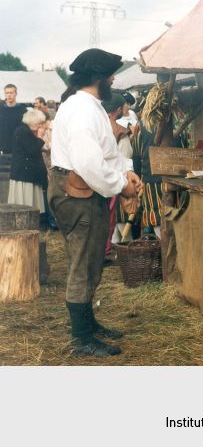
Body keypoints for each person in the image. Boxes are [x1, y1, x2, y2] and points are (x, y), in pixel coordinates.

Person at [49, 48, 143, 357]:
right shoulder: (82, 110)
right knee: (83, 264)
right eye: (112, 75)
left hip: (84, 193)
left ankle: (88, 325)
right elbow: (89, 163)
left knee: (90, 263)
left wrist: (126, 175)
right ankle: (82, 339)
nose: (115, 79)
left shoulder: (89, 106)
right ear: (99, 78)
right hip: (78, 195)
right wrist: (122, 187)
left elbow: (108, 154)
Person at [101, 92, 133, 257]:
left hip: (94, 178)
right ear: (119, 109)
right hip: (112, 178)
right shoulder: (120, 131)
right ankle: (105, 250)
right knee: (109, 217)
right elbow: (125, 157)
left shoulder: (96, 124)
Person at [7, 109, 48, 213]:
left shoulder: (24, 130)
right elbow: (32, 151)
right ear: (32, 121)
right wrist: (40, 138)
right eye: (39, 123)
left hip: (25, 173)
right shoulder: (24, 131)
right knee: (26, 203)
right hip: (24, 175)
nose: (40, 126)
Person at [0, 84, 26, 154]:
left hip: (19, 146)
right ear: (4, 94)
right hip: (4, 146)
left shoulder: (22, 110)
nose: (9, 95)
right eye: (7, 93)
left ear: (16, 94)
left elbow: (25, 129)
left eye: (11, 93)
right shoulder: (1, 109)